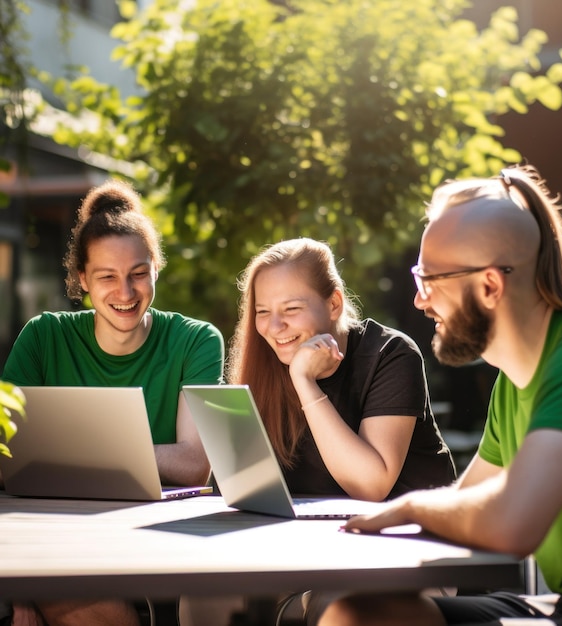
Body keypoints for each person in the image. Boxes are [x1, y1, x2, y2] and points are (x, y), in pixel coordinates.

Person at [317, 163, 562, 626]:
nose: (420, 301)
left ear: (489, 285)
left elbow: (511, 521)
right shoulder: (514, 379)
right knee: (358, 614)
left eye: (428, 280)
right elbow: (471, 502)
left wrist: (410, 506)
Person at [178, 237, 455, 626]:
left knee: (337, 603)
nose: (275, 328)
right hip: (305, 549)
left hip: (402, 550)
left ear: (334, 304)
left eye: (291, 309)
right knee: (205, 596)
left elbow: (369, 484)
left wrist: (305, 383)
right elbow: (242, 490)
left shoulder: (391, 355)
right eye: (262, 312)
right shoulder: (265, 367)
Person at [1, 179, 224, 626]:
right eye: (106, 276)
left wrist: (63, 457)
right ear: (82, 279)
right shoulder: (43, 338)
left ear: (156, 269)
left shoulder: (196, 341)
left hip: (148, 540)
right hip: (46, 538)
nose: (125, 292)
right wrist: (17, 583)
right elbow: (6, 456)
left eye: (138, 273)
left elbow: (195, 464)